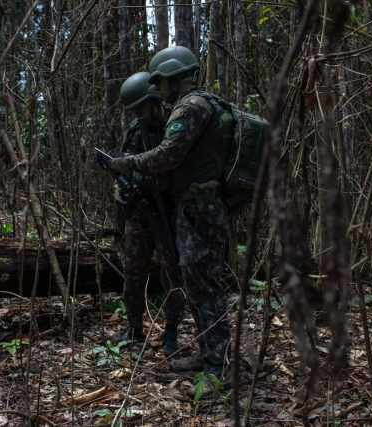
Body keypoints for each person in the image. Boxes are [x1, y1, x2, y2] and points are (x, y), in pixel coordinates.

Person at [109, 47, 234, 378]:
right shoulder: (194, 107)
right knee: (196, 282)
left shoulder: (189, 108)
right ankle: (211, 357)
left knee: (198, 283)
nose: (159, 90)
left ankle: (215, 364)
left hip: (192, 208)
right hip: (178, 210)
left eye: (161, 83)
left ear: (172, 78)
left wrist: (130, 164)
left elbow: (168, 156)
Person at [114, 71, 185, 355]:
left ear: (154, 100)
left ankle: (171, 332)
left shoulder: (176, 123)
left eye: (142, 108)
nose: (140, 115)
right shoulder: (135, 131)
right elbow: (125, 166)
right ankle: (133, 328)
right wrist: (125, 186)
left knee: (173, 274)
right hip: (140, 212)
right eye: (136, 110)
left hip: (169, 212)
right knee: (133, 271)